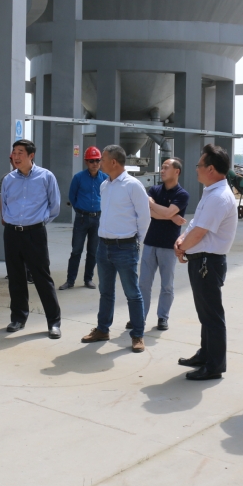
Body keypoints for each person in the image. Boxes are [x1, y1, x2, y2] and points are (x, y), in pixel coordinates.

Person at [174, 145, 237, 380]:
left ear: (211, 169)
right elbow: (194, 225)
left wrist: (182, 246)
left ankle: (214, 366)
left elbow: (200, 232)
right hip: (202, 261)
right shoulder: (211, 192)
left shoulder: (219, 197)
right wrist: (182, 240)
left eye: (199, 165)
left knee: (212, 316)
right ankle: (206, 354)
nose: (196, 169)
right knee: (205, 314)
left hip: (208, 263)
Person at [81, 145, 151, 353]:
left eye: (102, 159)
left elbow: (144, 218)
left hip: (125, 247)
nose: (99, 162)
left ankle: (137, 334)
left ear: (113, 162)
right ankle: (103, 329)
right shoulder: (105, 185)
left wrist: (137, 243)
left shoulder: (133, 185)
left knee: (132, 293)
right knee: (105, 291)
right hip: (104, 246)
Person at [0, 139, 62, 339]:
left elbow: (54, 206)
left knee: (42, 278)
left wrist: (39, 222)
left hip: (35, 233)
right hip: (12, 233)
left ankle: (54, 322)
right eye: (14, 152)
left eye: (20, 152)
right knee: (15, 277)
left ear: (31, 155)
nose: (16, 156)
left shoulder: (46, 176)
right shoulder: (8, 179)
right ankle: (18, 318)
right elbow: (4, 204)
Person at [127, 157, 188, 331]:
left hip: (169, 245)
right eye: (162, 167)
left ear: (177, 171)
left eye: (166, 167)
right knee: (144, 284)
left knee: (167, 285)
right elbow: (147, 212)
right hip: (150, 242)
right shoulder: (154, 190)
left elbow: (161, 211)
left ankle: (163, 317)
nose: (162, 170)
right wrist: (171, 216)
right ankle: (140, 317)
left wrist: (156, 207)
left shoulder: (182, 194)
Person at [58, 146, 107, 290]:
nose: (95, 164)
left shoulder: (105, 179)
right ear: (86, 162)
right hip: (81, 218)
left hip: (97, 219)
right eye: (91, 161)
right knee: (76, 250)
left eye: (97, 160)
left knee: (93, 251)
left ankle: (88, 279)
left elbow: (108, 197)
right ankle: (70, 281)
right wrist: (80, 210)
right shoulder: (78, 178)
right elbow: (72, 196)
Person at [0, 154, 32, 284]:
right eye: (13, 159)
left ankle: (29, 274)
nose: (16, 161)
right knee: (14, 252)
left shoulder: (34, 177)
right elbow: (2, 200)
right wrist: (3, 216)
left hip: (29, 223)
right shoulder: (7, 179)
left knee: (29, 251)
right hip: (13, 223)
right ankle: (15, 274)